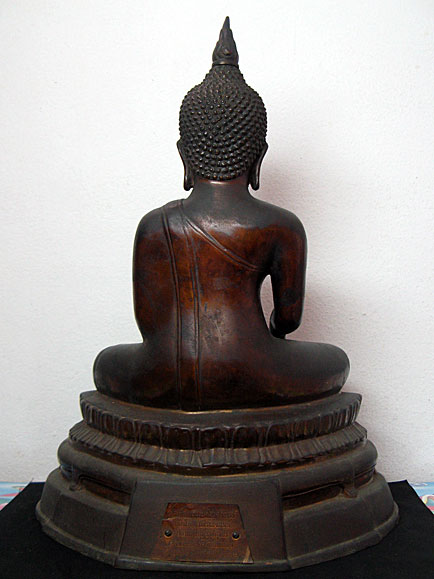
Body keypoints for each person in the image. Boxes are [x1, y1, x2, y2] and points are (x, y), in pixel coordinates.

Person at [94, 18, 349, 411]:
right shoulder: (282, 227)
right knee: (336, 361)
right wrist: (259, 341)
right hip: (254, 370)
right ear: (258, 158)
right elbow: (288, 320)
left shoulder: (154, 226)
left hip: (165, 375)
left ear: (184, 156)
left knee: (106, 363)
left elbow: (149, 325)